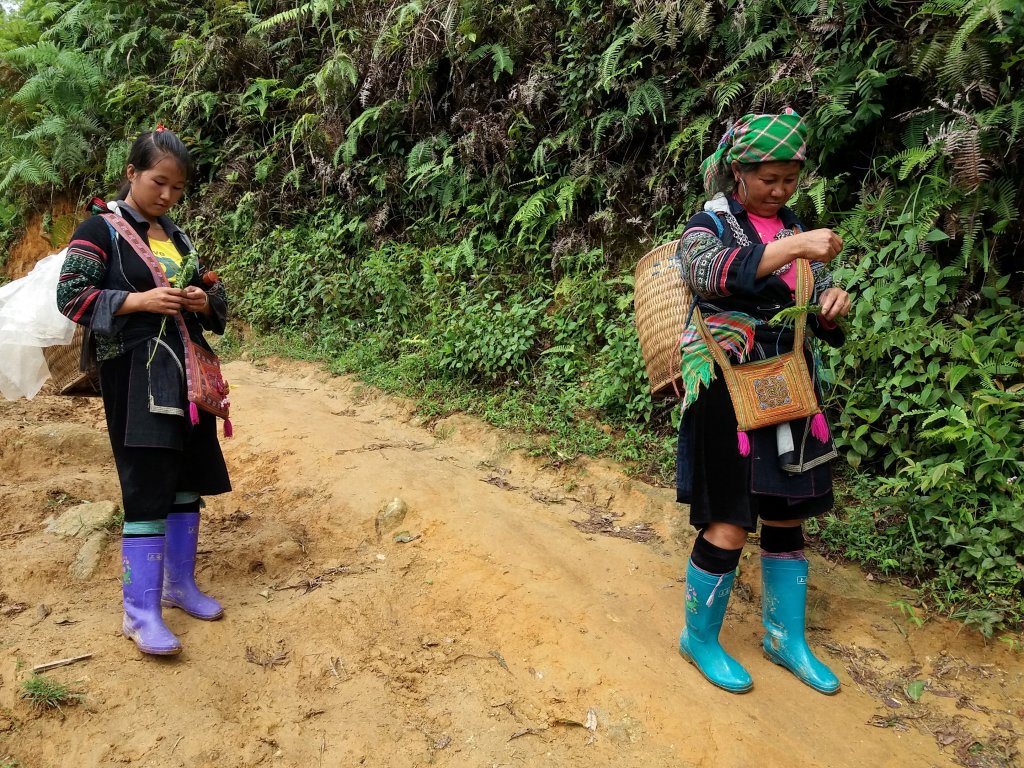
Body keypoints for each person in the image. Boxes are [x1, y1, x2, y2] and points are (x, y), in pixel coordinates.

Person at [674, 108, 852, 694]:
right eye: (768, 179)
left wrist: (832, 304)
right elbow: (710, 276)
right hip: (726, 392)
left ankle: (785, 637)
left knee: (785, 514)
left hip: (788, 389)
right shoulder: (710, 225)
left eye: (789, 180)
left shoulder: (793, 225)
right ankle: (699, 638)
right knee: (728, 521)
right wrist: (797, 245)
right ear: (738, 174)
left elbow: (816, 299)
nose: (779, 191)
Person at [57, 127, 230, 656]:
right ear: (132, 173)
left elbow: (213, 288)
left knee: (185, 481)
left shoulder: (175, 236)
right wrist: (139, 302)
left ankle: (179, 586)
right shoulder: (100, 229)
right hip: (135, 375)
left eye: (178, 189)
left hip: (186, 374)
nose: (167, 197)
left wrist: (203, 298)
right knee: (147, 484)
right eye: (159, 183)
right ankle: (140, 612)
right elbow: (71, 297)